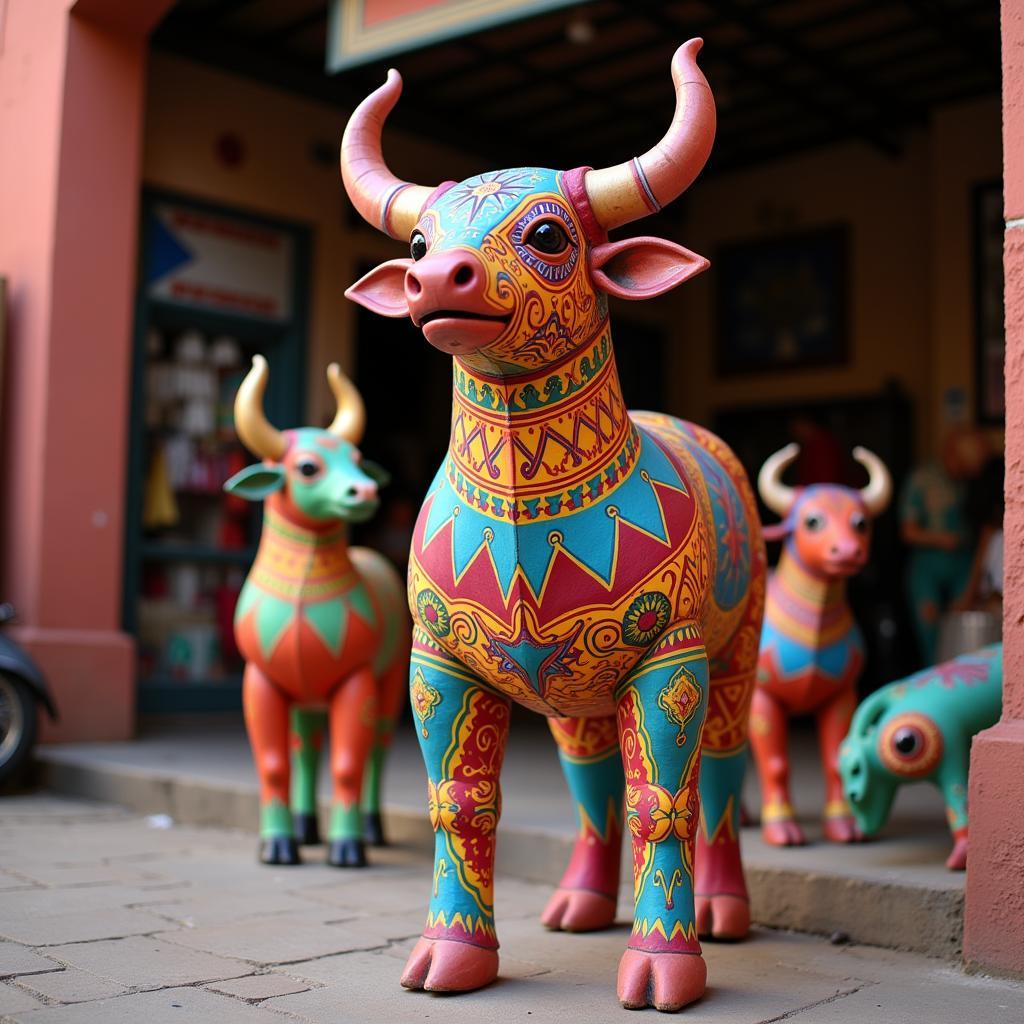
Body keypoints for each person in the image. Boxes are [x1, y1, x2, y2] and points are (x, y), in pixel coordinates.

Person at [900, 428, 990, 665]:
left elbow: (986, 529)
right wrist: (942, 540)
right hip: (927, 568)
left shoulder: (972, 483)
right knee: (930, 635)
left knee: (964, 635)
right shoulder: (922, 479)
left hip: (964, 566)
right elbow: (908, 531)